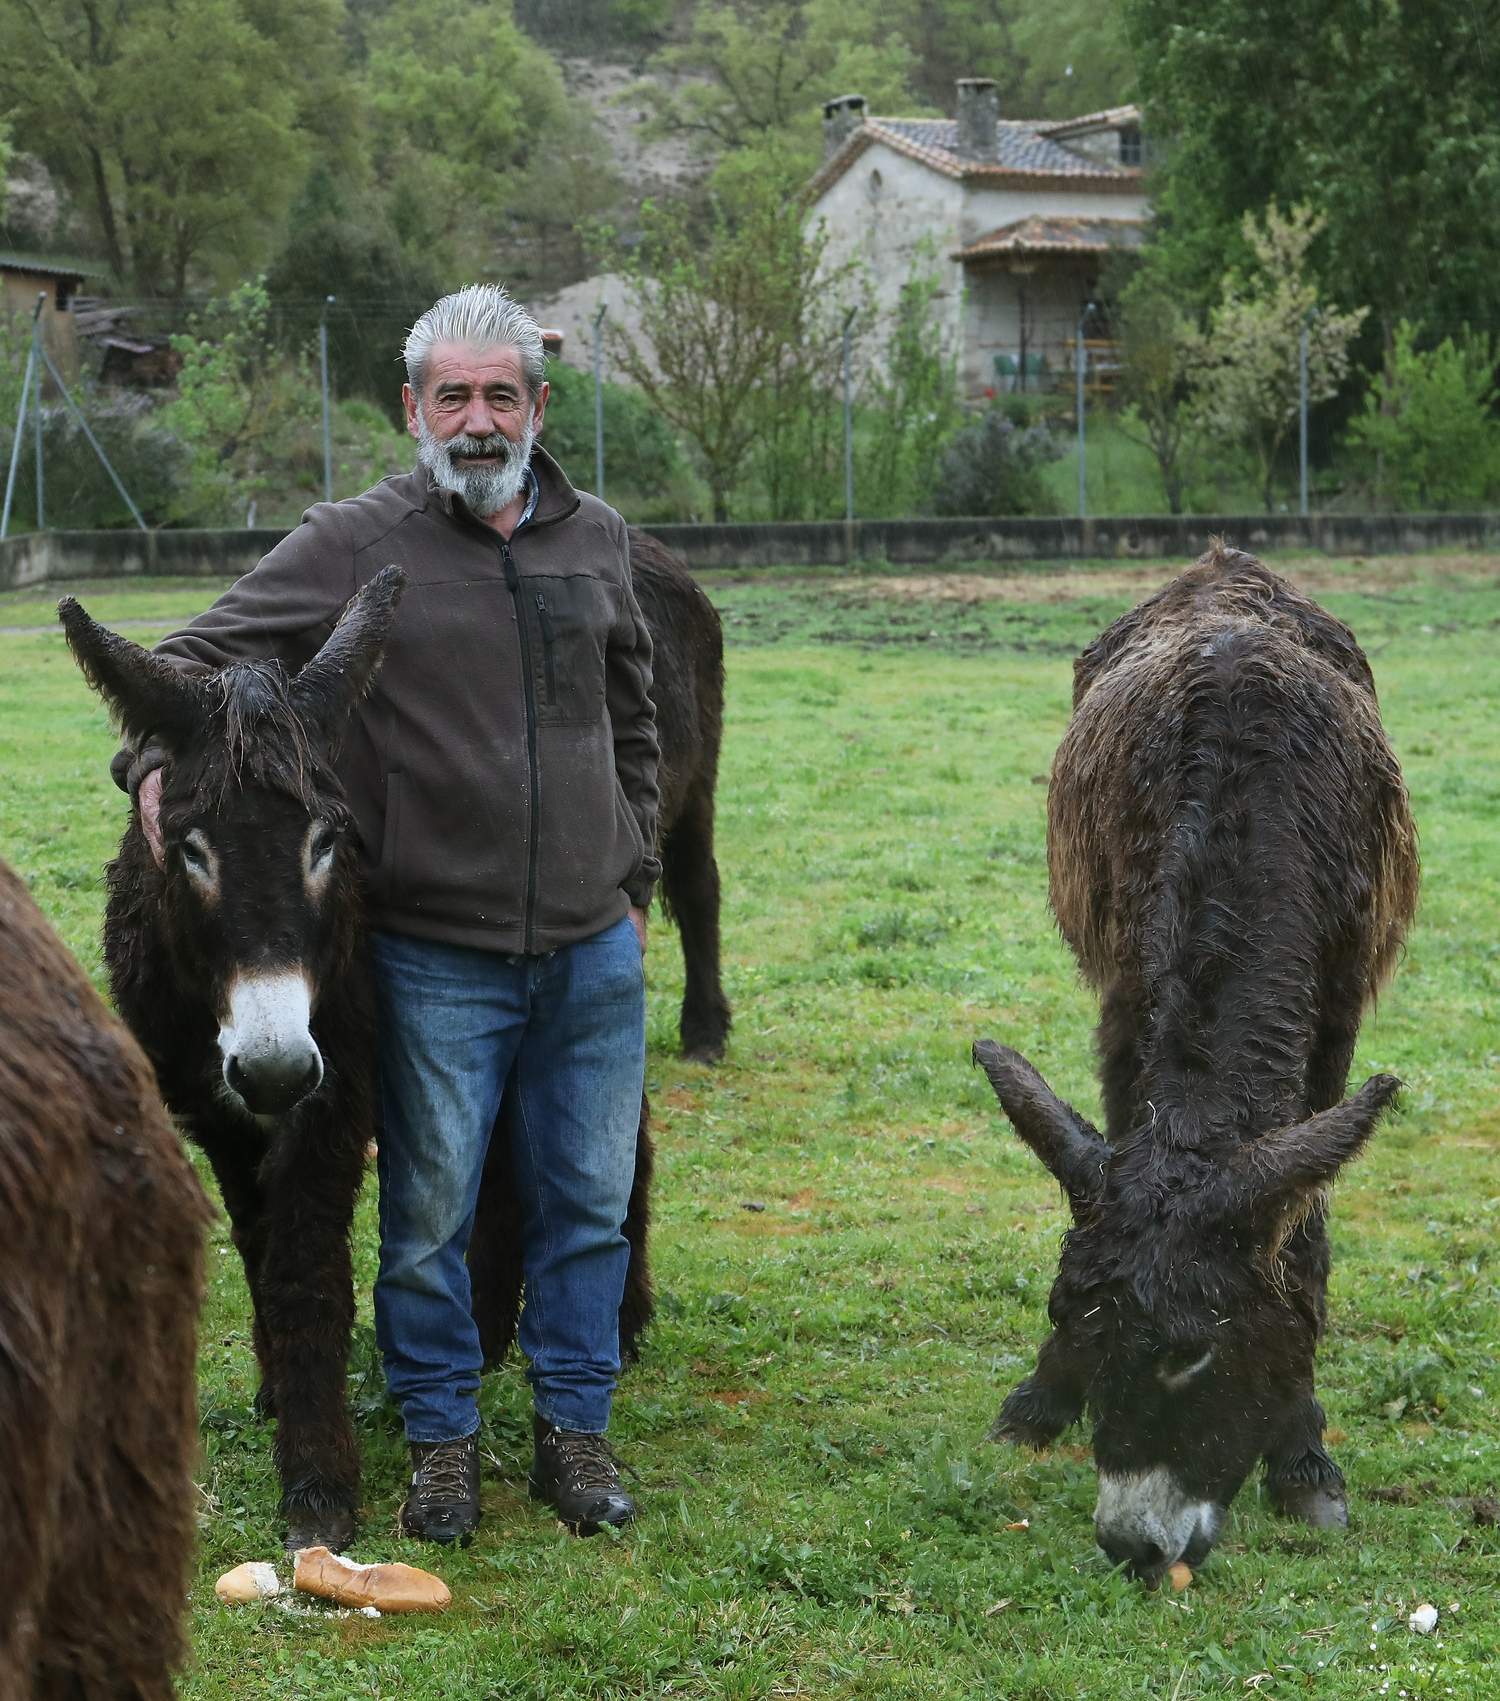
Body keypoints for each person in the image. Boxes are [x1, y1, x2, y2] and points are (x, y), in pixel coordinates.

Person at [116, 284, 660, 1545]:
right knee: (428, 1217)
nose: (478, 421)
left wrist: (630, 883)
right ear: (413, 408)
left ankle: (576, 1434)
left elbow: (635, 717)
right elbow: (186, 663)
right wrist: (152, 770)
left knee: (585, 1204)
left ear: (537, 405)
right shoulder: (353, 542)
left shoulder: (599, 541)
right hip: (440, 955)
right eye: (453, 396)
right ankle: (440, 1447)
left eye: (501, 396)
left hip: (591, 950)